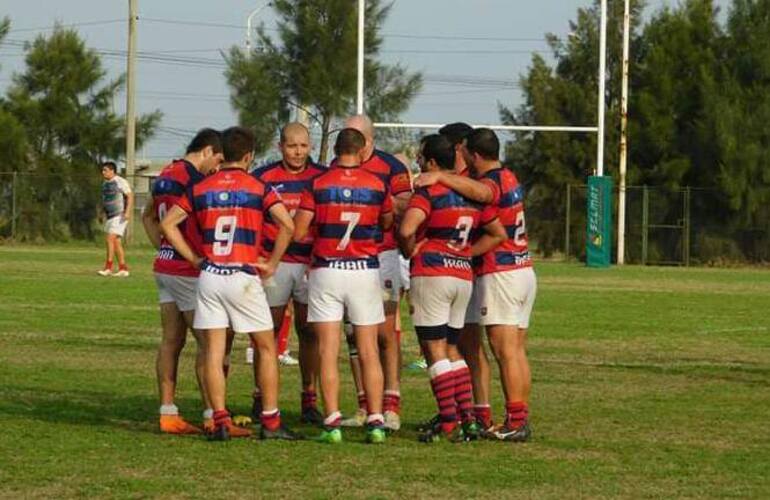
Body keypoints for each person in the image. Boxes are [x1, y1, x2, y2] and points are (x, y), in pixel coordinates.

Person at [160, 126, 300, 442]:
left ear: (223, 153)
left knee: (213, 349)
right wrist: (273, 262)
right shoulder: (258, 187)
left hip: (210, 276)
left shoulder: (201, 187)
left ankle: (219, 421)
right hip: (242, 274)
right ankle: (271, 421)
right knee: (265, 346)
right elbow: (288, 225)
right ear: (249, 156)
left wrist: (194, 259)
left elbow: (168, 224)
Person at [398, 134, 506, 443]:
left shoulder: (429, 191)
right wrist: (464, 253)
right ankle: (468, 418)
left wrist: (411, 248)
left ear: (431, 162)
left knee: (434, 350)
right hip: (462, 276)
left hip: (433, 274)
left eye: (421, 157)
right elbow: (497, 232)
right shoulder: (470, 193)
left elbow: (407, 228)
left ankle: (448, 420)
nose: (418, 162)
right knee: (453, 349)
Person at [293, 128, 393, 444]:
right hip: (364, 270)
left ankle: (332, 421)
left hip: (327, 270)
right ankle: (376, 420)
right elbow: (387, 222)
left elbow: (299, 230)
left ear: (335, 151)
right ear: (363, 151)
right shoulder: (377, 184)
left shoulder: (318, 183)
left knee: (328, 350)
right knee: (368, 350)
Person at [141, 128, 224, 435]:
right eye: (217, 160)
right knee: (209, 344)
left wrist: (163, 247)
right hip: (186, 271)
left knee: (171, 341)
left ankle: (168, 412)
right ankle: (212, 415)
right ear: (207, 151)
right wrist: (190, 255)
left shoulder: (165, 174)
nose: (216, 168)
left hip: (164, 266)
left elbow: (148, 216)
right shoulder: (193, 180)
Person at [250, 122, 325, 425]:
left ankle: (309, 398)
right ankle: (261, 397)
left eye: (304, 146)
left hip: (309, 264)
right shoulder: (263, 178)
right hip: (274, 264)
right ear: (280, 146)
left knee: (310, 331)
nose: (298, 152)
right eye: (292, 146)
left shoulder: (321, 178)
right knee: (266, 333)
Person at [464, 128, 537, 442]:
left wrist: (463, 253)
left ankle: (515, 421)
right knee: (516, 351)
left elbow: (484, 200)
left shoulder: (490, 182)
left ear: (475, 155)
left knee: (504, 350)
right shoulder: (510, 175)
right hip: (523, 269)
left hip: (502, 271)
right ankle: (520, 417)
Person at [341, 115, 412, 431]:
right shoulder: (339, 164)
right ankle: (364, 406)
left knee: (384, 333)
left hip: (382, 256)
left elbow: (405, 204)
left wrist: (373, 199)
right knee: (354, 334)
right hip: (346, 260)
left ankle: (391, 404)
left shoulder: (390, 167)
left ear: (369, 141)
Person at [98, 161, 134, 277]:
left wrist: (127, 212)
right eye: (103, 170)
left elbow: (130, 196)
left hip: (120, 215)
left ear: (112, 171)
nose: (103, 172)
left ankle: (108, 267)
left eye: (105, 170)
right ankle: (123, 269)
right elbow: (105, 200)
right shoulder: (104, 184)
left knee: (110, 238)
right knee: (116, 242)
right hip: (110, 216)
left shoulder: (120, 181)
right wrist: (101, 213)